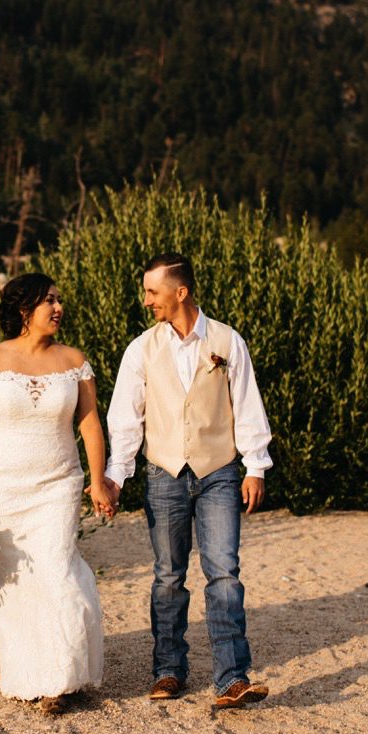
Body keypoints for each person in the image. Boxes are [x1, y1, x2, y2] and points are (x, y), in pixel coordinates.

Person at [0, 273, 117, 714]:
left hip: (58, 483)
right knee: (12, 578)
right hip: (3, 485)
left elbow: (90, 424)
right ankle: (34, 671)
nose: (58, 308)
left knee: (57, 569)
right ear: (23, 311)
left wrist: (97, 479)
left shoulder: (74, 360)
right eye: (48, 301)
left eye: (58, 300)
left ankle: (61, 679)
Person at [103, 252, 274, 709]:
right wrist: (116, 476)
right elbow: (125, 419)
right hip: (163, 473)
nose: (146, 301)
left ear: (180, 292)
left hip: (219, 472)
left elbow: (246, 402)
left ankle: (232, 678)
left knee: (224, 574)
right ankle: (168, 670)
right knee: (167, 577)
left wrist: (255, 465)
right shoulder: (141, 349)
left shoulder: (226, 340)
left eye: (152, 292)